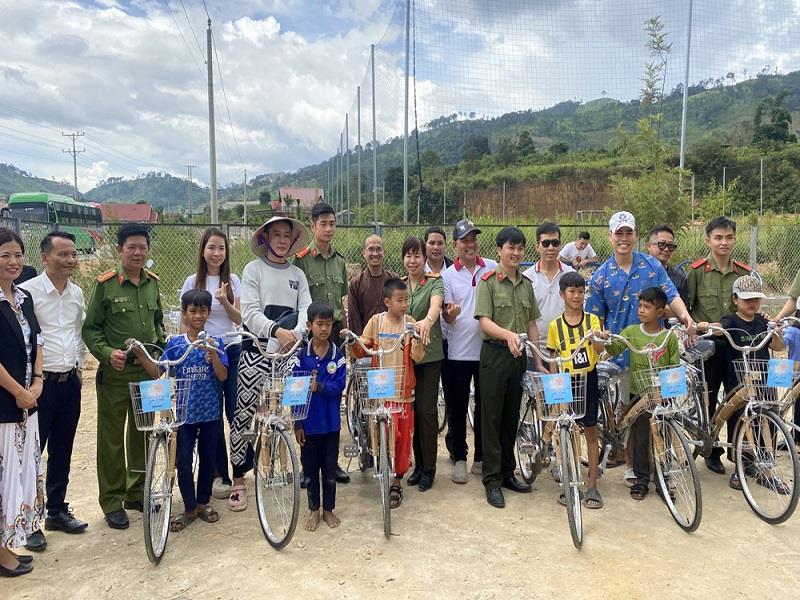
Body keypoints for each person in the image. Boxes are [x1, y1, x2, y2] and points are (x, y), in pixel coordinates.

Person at [82, 223, 165, 529]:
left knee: (142, 434)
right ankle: (113, 501)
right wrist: (106, 353)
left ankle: (136, 492)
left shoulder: (152, 283)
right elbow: (91, 329)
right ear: (119, 250)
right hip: (115, 376)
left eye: (142, 247)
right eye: (131, 247)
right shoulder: (106, 284)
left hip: (145, 374)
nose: (137, 252)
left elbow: (158, 325)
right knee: (112, 440)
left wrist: (159, 353)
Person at [229, 216, 311, 511]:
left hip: (289, 352)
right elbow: (248, 313)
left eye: (285, 235)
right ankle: (239, 477)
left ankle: (288, 461)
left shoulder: (297, 275)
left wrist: (296, 335)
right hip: (256, 351)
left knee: (294, 405)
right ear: (265, 239)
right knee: (243, 415)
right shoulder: (254, 270)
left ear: (292, 240)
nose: (280, 240)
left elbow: (305, 310)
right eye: (274, 234)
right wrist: (276, 332)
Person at [133, 289, 228, 531]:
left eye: (203, 310)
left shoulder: (216, 343)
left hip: (210, 414)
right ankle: (188, 508)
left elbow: (223, 375)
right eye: (193, 311)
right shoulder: (175, 344)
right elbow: (158, 372)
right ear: (184, 313)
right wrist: (140, 354)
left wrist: (213, 355)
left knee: (208, 460)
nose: (198, 315)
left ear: (208, 313)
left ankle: (203, 503)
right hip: (184, 415)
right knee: (183, 461)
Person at [19, 232, 88, 546]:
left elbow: (78, 332)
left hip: (68, 383)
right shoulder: (26, 294)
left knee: (62, 450)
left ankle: (57, 511)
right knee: (32, 452)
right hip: (39, 385)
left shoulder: (76, 294)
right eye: (63, 255)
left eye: (73, 254)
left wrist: (79, 364)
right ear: (45, 257)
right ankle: (30, 521)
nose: (71, 260)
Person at [475, 226, 544, 508]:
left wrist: (539, 360)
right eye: (510, 248)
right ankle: (491, 481)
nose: (516, 253)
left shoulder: (526, 284)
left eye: (520, 248)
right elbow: (484, 322)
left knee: (511, 417)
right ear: (499, 250)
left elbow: (531, 323)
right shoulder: (488, 282)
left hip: (518, 358)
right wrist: (509, 336)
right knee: (491, 418)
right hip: (495, 355)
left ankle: (507, 472)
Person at [698, 275, 785, 490]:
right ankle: (741, 467)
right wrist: (706, 326)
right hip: (739, 381)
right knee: (739, 422)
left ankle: (765, 467)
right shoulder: (731, 321)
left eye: (756, 298)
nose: (752, 303)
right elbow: (718, 328)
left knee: (768, 421)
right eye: (747, 299)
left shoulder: (763, 320)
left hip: (764, 380)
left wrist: (775, 330)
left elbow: (778, 346)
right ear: (735, 299)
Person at [343, 278, 424, 508]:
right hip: (381, 391)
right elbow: (362, 348)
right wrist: (353, 342)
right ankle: (379, 464)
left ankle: (397, 480)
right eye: (400, 300)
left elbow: (418, 357)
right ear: (387, 302)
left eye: (406, 299)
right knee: (381, 435)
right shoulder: (376, 322)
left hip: (402, 392)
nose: (404, 304)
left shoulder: (410, 323)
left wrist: (417, 340)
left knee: (402, 440)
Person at [180, 227, 242, 501]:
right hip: (201, 353)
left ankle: (239, 472)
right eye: (211, 248)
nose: (216, 253)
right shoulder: (192, 281)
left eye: (221, 248)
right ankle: (219, 474)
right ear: (203, 251)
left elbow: (239, 319)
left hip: (230, 347)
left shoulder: (233, 280)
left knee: (234, 410)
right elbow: (184, 318)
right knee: (210, 414)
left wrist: (225, 301)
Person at [686, 216, 751, 476]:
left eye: (729, 237)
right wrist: (696, 327)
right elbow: (686, 309)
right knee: (709, 398)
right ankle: (712, 452)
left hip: (737, 345)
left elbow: (751, 306)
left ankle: (739, 450)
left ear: (734, 239)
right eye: (718, 237)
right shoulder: (697, 271)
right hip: (709, 346)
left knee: (737, 397)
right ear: (708, 240)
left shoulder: (744, 273)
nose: (724, 242)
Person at [603, 287, 680, 501]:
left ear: (660, 312)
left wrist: (669, 392)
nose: (642, 310)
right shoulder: (631, 332)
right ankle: (642, 479)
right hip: (639, 394)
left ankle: (664, 480)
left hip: (664, 396)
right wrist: (605, 339)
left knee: (662, 437)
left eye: (648, 307)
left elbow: (674, 366)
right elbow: (613, 349)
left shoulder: (668, 337)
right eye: (640, 306)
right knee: (640, 438)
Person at [294, 201, 350, 485]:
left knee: (333, 395)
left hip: (334, 329)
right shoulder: (302, 260)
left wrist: (345, 330)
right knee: (307, 395)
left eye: (332, 223)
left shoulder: (340, 261)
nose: (328, 229)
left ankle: (333, 462)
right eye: (323, 224)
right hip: (310, 330)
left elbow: (342, 299)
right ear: (312, 225)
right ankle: (307, 465)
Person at [0, 227, 43, 577]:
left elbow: (38, 340)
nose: (14, 262)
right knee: (2, 478)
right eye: (5, 255)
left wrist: (38, 380)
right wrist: (17, 390)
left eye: (17, 255)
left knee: (20, 473)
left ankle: (9, 543)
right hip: (4, 402)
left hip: (28, 400)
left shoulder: (23, 297)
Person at [441, 219, 496, 483]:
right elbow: (447, 317)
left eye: (473, 238)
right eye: (464, 240)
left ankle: (481, 457)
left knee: (486, 407)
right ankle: (460, 457)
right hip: (458, 353)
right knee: (457, 408)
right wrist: (451, 315)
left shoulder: (492, 269)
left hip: (487, 351)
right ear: (456, 245)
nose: (470, 244)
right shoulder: (448, 275)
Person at [547, 271, 605, 509]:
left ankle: (592, 485)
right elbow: (552, 358)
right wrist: (554, 386)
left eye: (581, 292)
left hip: (588, 378)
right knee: (566, 432)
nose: (577, 296)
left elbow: (600, 349)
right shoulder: (555, 326)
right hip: (565, 381)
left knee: (591, 431)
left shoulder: (592, 320)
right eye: (572, 291)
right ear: (562, 294)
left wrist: (596, 337)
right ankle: (570, 482)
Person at [293, 301, 347, 531]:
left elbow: (340, 386)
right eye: (319, 324)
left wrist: (320, 387)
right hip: (309, 425)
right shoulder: (301, 356)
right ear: (309, 325)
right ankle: (314, 510)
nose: (324, 329)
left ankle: (328, 510)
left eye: (328, 324)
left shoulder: (338, 355)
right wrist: (297, 423)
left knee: (329, 469)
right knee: (311, 469)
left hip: (331, 425)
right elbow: (295, 391)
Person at [402, 237, 444, 491]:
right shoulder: (398, 285)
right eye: (408, 255)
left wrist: (427, 322)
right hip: (405, 356)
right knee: (411, 411)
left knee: (427, 411)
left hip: (429, 357)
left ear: (424, 258)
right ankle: (416, 465)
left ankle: (429, 468)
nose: (412, 260)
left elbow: (435, 307)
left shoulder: (435, 282)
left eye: (417, 255)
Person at [522, 222, 575, 335]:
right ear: (537, 246)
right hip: (535, 348)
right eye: (545, 243)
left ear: (560, 246)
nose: (550, 248)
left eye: (555, 243)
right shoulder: (526, 278)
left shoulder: (571, 275)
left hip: (566, 347)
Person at [347, 234, 395, 336]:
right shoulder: (356, 284)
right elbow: (354, 318)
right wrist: (360, 343)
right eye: (371, 249)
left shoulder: (394, 280)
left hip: (391, 339)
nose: (375, 253)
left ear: (384, 252)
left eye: (379, 249)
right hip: (366, 342)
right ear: (364, 253)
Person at [647, 225, 688, 307]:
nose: (666, 249)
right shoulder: (637, 274)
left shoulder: (679, 280)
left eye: (670, 246)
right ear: (649, 246)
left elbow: (686, 310)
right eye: (661, 244)